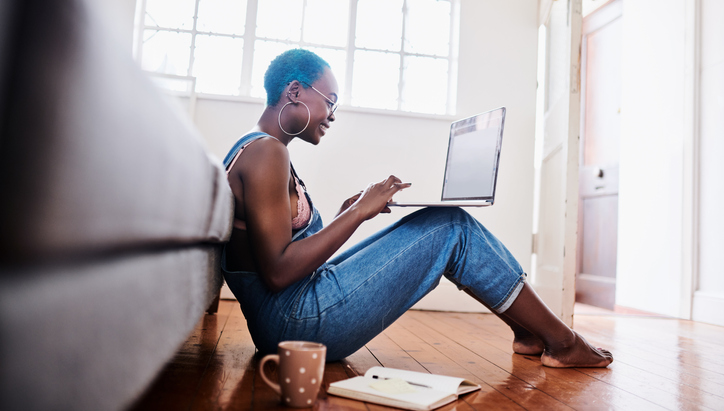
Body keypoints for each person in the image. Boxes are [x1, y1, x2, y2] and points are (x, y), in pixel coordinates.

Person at [221, 48, 613, 368]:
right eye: (330, 101)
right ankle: (561, 341)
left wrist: (348, 212)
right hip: (296, 324)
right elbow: (277, 272)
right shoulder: (267, 153)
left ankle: (531, 331)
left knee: (439, 223)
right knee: (450, 227)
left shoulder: (257, 148)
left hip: (288, 316)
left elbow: (278, 256)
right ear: (294, 92)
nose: (333, 115)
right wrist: (358, 214)